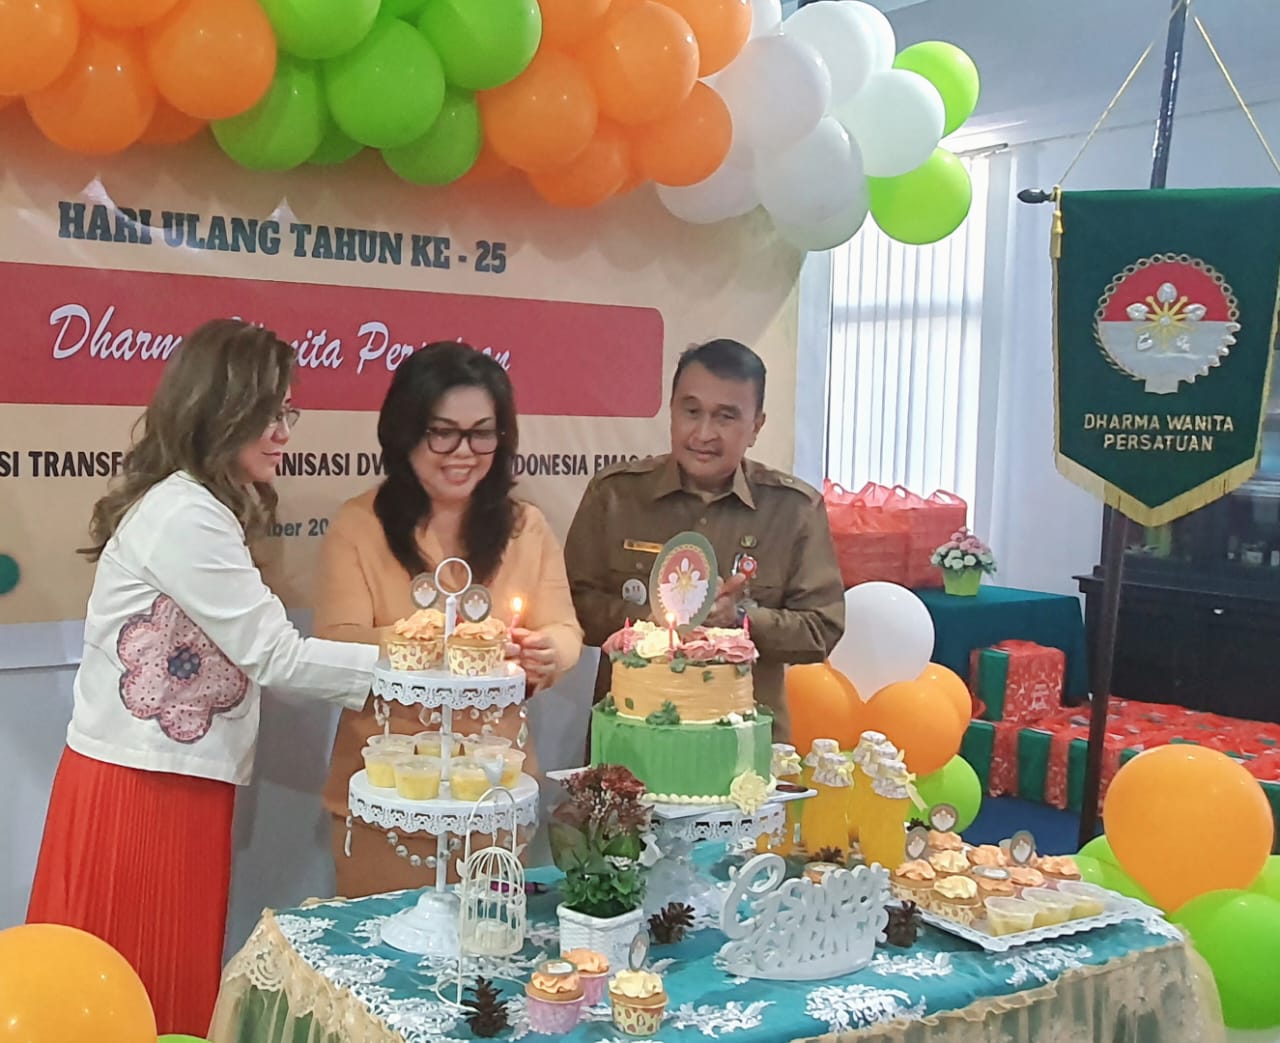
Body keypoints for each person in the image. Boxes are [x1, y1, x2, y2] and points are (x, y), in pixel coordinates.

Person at [25, 319, 380, 1036]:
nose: (283, 432)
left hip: (164, 780)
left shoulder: (195, 506)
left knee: (156, 989)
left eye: (289, 411)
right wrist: (412, 668)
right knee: (130, 994)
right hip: (143, 790)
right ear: (219, 411)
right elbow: (275, 655)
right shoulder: (186, 513)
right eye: (268, 412)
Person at [314, 341, 582, 897]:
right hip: (389, 797)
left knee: (488, 944)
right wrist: (444, 642)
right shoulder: (359, 524)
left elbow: (563, 629)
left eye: (482, 433)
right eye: (443, 433)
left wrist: (549, 652)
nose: (464, 452)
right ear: (405, 432)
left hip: (492, 792)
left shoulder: (525, 527)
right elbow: (337, 641)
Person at [565, 338, 844, 741]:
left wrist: (740, 619)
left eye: (726, 417)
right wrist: (651, 620)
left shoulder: (793, 510)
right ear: (672, 410)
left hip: (744, 746)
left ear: (756, 426)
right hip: (632, 740)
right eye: (691, 411)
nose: (703, 433)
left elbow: (822, 628)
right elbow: (572, 605)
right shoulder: (615, 496)